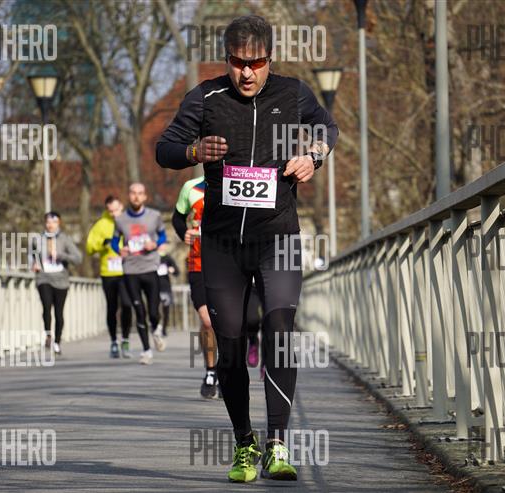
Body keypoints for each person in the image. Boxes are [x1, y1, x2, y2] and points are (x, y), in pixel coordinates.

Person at [156, 15, 338, 483]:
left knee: (280, 327)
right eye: (237, 63)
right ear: (227, 60)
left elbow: (327, 127)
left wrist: (312, 156)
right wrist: (195, 152)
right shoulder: (206, 97)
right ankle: (244, 443)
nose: (246, 73)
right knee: (231, 344)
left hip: (277, 237)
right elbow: (165, 148)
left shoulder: (293, 93)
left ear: (270, 59)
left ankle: (277, 443)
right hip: (221, 243)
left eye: (256, 63)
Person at [172, 176, 219, 399]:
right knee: (208, 321)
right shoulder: (191, 187)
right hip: (198, 263)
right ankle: (210, 371)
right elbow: (177, 217)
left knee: (229, 323)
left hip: (229, 263)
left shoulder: (237, 180)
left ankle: (228, 370)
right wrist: (184, 233)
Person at [113, 183, 167, 365]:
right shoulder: (120, 219)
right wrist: (119, 250)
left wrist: (156, 244)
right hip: (130, 269)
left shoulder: (154, 216)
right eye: (133, 193)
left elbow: (163, 236)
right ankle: (146, 351)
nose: (136, 196)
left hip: (150, 267)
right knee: (139, 310)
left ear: (145, 196)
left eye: (140, 193)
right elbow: (114, 241)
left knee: (153, 311)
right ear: (129, 196)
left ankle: (156, 329)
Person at [86, 195, 133, 358]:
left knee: (127, 305)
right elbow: (89, 247)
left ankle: (125, 339)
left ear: (122, 207)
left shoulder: (129, 221)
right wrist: (102, 244)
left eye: (116, 210)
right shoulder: (101, 224)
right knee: (112, 307)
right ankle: (113, 341)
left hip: (127, 271)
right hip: (109, 272)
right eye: (110, 211)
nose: (114, 214)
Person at [30, 211, 82, 355]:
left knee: (59, 312)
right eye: (48, 222)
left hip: (61, 279)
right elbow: (31, 255)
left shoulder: (65, 239)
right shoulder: (38, 239)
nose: (50, 225)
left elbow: (78, 258)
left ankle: (57, 342)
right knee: (46, 307)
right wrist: (34, 264)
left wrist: (60, 255)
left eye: (53, 222)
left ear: (59, 223)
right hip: (44, 277)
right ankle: (48, 335)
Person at [156, 244, 179, 337]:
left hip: (165, 287)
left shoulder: (168, 258)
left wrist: (172, 270)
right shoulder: (152, 257)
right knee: (154, 309)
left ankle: (164, 329)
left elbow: (177, 272)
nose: (163, 246)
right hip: (154, 287)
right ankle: (156, 326)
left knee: (166, 309)